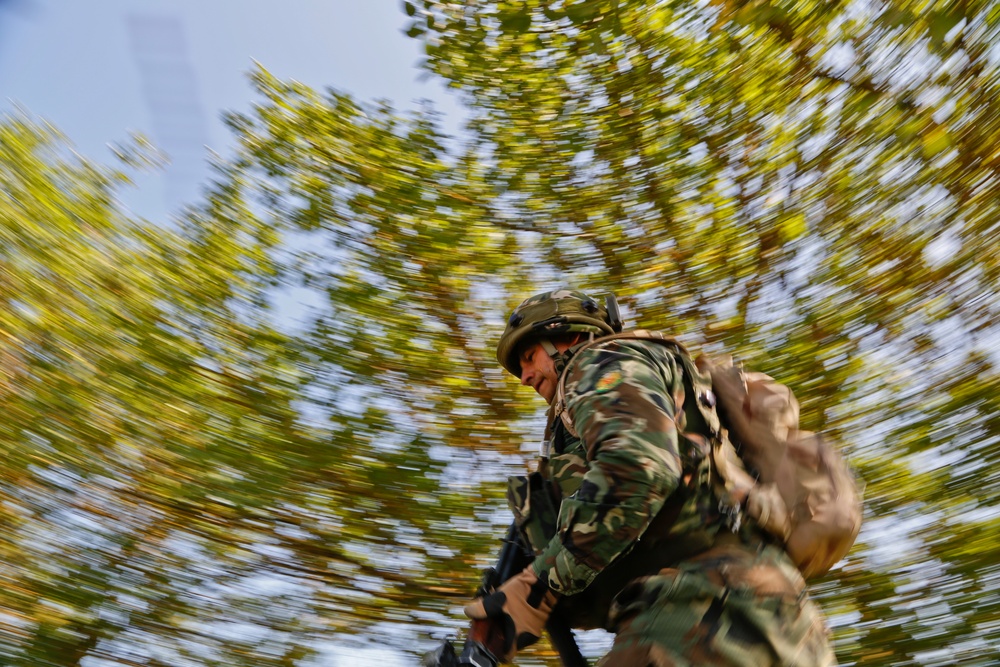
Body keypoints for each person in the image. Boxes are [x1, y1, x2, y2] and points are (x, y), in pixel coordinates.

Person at [464, 290, 836, 666]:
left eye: (529, 358)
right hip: (774, 622)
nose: (525, 377)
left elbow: (638, 472)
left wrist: (541, 583)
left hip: (700, 615)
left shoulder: (597, 364)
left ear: (571, 336)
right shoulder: (653, 382)